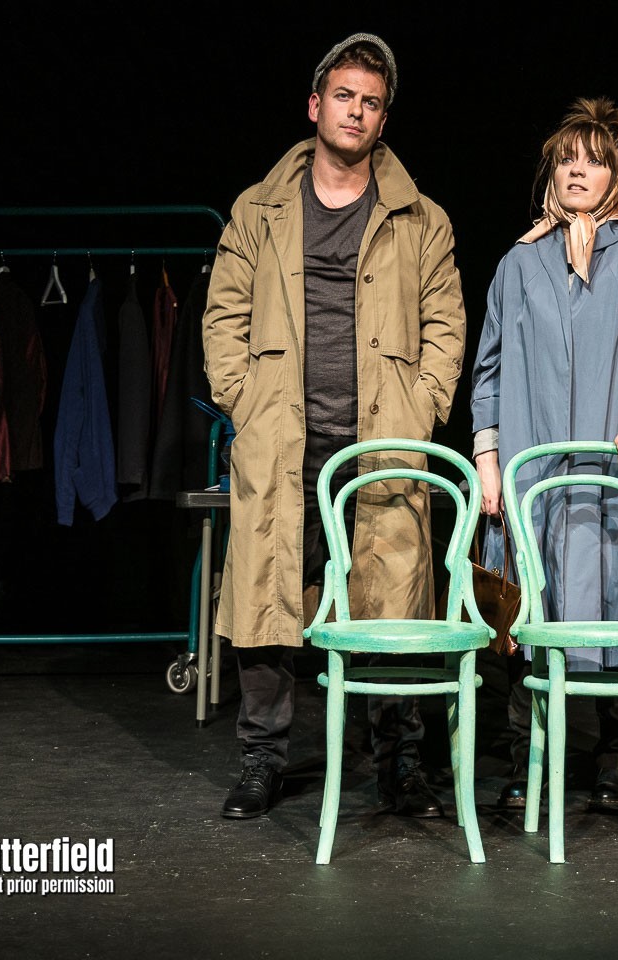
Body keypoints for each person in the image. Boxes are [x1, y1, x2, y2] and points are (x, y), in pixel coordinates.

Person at [201, 33, 468, 820]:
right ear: (315, 106)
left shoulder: (422, 218)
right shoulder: (259, 208)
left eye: (372, 102)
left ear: (384, 120)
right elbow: (224, 315)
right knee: (268, 600)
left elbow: (446, 325)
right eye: (344, 96)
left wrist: (420, 406)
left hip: (383, 440)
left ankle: (400, 763)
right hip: (283, 435)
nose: (356, 111)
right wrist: (243, 398)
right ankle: (262, 759)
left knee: (392, 603)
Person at [470, 97, 618, 813]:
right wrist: (487, 459)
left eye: (595, 161)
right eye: (567, 159)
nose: (579, 172)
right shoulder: (519, 263)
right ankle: (524, 760)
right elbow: (488, 368)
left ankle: (616, 761)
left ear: (617, 173)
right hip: (534, 467)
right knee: (527, 608)